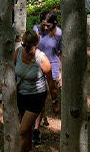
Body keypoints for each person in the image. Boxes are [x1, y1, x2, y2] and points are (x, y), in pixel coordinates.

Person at [10, 30, 59, 152]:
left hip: (37, 96)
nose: (26, 48)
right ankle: (30, 148)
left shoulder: (42, 59)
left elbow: (51, 82)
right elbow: (9, 71)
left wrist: (55, 102)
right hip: (21, 94)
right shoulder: (18, 53)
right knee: (26, 129)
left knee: (22, 130)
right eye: (24, 45)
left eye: (29, 46)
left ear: (36, 44)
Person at [31, 11, 62, 145]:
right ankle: (33, 120)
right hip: (36, 67)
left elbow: (61, 54)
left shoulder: (59, 34)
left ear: (54, 24)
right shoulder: (36, 30)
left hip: (51, 68)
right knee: (35, 96)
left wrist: (61, 75)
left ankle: (36, 130)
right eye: (43, 25)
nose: (45, 28)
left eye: (48, 25)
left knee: (42, 98)